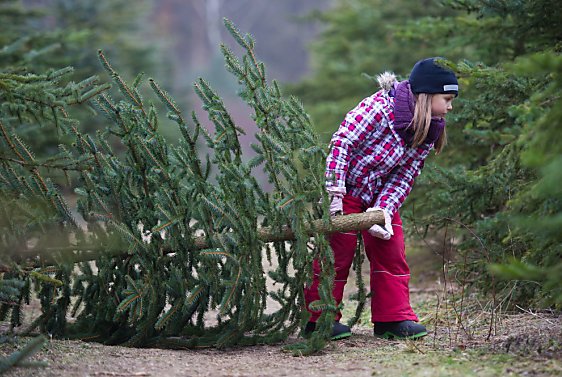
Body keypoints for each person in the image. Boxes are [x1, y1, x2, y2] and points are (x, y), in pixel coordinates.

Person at [303, 57, 458, 340]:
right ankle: (319, 318)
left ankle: (393, 319)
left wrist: (384, 209)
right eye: (447, 98)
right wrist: (335, 194)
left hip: (378, 198)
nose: (450, 106)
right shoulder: (378, 107)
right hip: (346, 190)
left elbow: (405, 175)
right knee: (337, 252)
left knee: (392, 249)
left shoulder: (427, 128)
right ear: (427, 95)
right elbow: (342, 142)